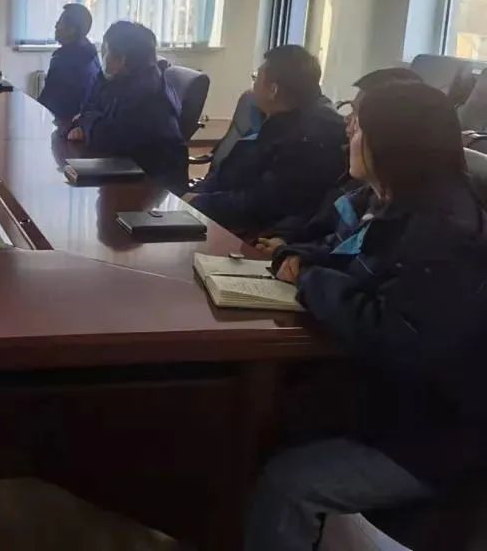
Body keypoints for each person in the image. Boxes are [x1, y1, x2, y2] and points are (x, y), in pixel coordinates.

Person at [246, 81, 487, 551]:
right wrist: (302, 257)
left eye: (360, 129)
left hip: (427, 438)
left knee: (287, 483)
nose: (349, 138)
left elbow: (394, 334)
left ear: (393, 144)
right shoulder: (396, 200)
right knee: (248, 425)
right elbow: (348, 255)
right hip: (380, 402)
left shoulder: (445, 233)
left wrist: (312, 280)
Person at [255, 66, 423, 255]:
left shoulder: (408, 217)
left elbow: (350, 263)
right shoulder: (354, 175)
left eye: (358, 117)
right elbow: (318, 217)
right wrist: (287, 242)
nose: (348, 121)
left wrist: (297, 255)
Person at [185, 45, 347, 235]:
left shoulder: (307, 138)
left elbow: (260, 203)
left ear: (273, 90)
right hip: (224, 208)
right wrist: (198, 194)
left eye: (256, 77)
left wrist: (198, 202)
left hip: (254, 234)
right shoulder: (282, 119)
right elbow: (233, 175)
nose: (253, 86)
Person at [66, 20, 187, 192]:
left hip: (153, 186)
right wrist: (88, 121)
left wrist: (86, 122)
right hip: (126, 169)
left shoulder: (147, 93)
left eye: (105, 50)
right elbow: (89, 107)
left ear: (121, 59)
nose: (102, 56)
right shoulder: (117, 78)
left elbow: (108, 138)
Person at [37, 3, 102, 123]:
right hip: (82, 123)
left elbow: (48, 101)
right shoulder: (91, 53)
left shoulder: (64, 60)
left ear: (72, 30)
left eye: (60, 23)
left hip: (65, 125)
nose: (56, 26)